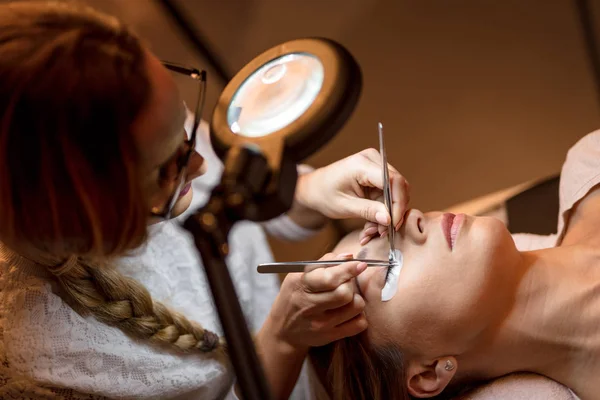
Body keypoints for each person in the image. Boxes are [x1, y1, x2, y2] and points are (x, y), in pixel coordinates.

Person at [0, 2, 411, 399]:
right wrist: (283, 339)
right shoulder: (45, 368)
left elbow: (237, 199)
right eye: (168, 168)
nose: (198, 162)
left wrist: (306, 194)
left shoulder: (140, 119)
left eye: (185, 127)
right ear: (89, 217)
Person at [310, 130, 600, 400]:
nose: (412, 221)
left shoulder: (591, 161)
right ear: (429, 372)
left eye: (387, 228)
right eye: (388, 267)